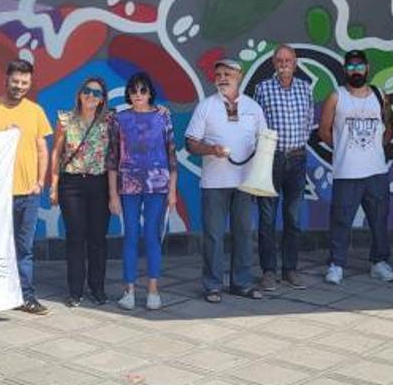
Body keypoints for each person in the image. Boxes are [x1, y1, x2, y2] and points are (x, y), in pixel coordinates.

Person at [0, 59, 52, 315]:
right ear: (6, 79)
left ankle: (25, 296)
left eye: (25, 82)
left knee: (24, 249)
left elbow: (41, 149)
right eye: (15, 81)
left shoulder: (35, 111)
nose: (19, 86)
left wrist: (40, 182)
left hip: (28, 193)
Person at [186, 58, 267, 303]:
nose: (222, 77)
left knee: (244, 233)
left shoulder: (253, 107)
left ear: (239, 76)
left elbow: (265, 141)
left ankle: (241, 283)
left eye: (227, 74)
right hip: (214, 183)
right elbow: (190, 143)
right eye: (218, 73)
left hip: (244, 182)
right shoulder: (206, 106)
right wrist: (211, 150)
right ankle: (212, 285)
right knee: (214, 235)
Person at [319, 50, 393, 285]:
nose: (355, 71)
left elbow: (388, 128)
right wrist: (344, 149)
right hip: (347, 172)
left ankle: (379, 263)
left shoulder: (379, 95)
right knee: (341, 219)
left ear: (367, 68)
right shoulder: (336, 96)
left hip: (376, 171)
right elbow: (324, 131)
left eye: (359, 66)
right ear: (344, 70)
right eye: (350, 67)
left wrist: (376, 146)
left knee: (379, 219)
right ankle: (336, 265)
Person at [107, 73, 178, 310]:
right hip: (128, 185)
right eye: (134, 90)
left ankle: (153, 290)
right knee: (130, 236)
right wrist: (113, 194)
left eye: (143, 90)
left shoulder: (162, 117)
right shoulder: (119, 118)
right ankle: (128, 290)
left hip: (158, 185)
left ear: (150, 93)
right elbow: (112, 158)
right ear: (129, 93)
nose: (138, 95)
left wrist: (172, 192)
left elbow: (171, 155)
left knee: (151, 236)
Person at [250, 45, 314, 291]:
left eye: (288, 60)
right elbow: (258, 124)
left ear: (295, 63)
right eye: (279, 60)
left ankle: (290, 270)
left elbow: (309, 121)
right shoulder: (263, 89)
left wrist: (298, 145)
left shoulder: (305, 88)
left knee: (293, 217)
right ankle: (268, 271)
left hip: (297, 159)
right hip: (271, 160)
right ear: (274, 63)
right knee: (267, 218)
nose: (284, 63)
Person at [50, 77, 113, 308]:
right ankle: (75, 290)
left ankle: (97, 288)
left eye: (96, 93)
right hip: (72, 184)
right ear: (79, 94)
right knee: (75, 238)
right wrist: (53, 185)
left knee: (98, 239)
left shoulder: (108, 121)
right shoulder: (65, 120)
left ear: (102, 99)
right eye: (87, 91)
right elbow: (56, 153)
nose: (91, 96)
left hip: (99, 183)